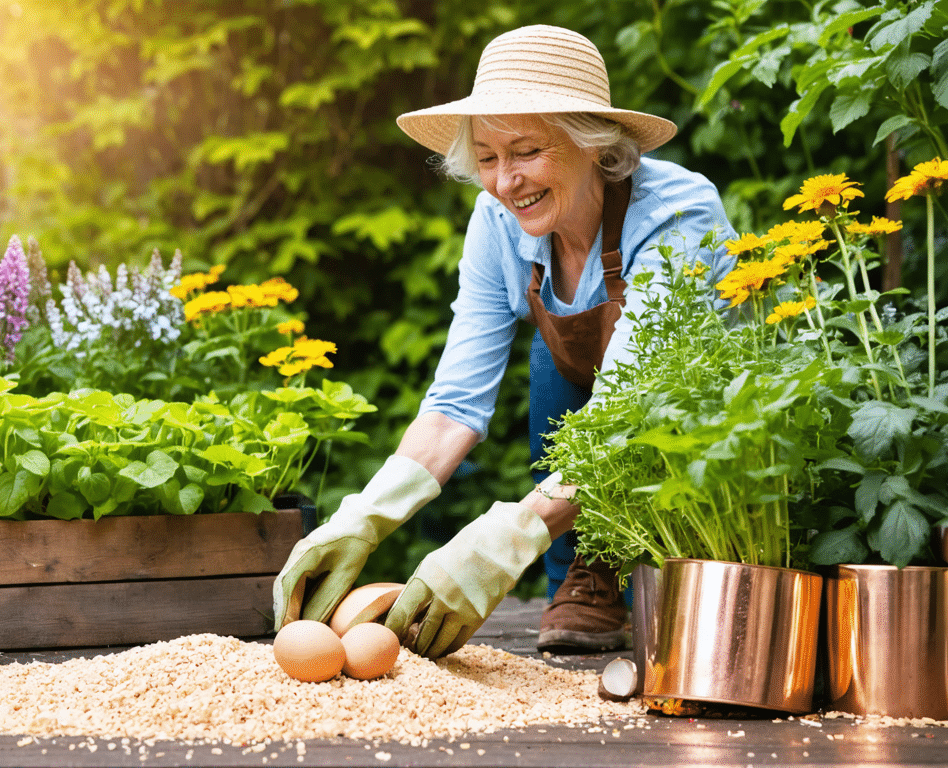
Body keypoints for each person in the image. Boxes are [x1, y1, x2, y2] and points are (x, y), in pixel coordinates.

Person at [273, 25, 736, 659]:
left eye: (526, 151)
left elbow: (632, 407)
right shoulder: (497, 221)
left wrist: (505, 540)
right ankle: (586, 571)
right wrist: (363, 517)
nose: (506, 182)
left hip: (710, 443)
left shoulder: (677, 214)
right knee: (555, 351)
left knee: (613, 381)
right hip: (607, 424)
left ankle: (629, 557)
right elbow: (455, 405)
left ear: (593, 143)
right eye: (488, 158)